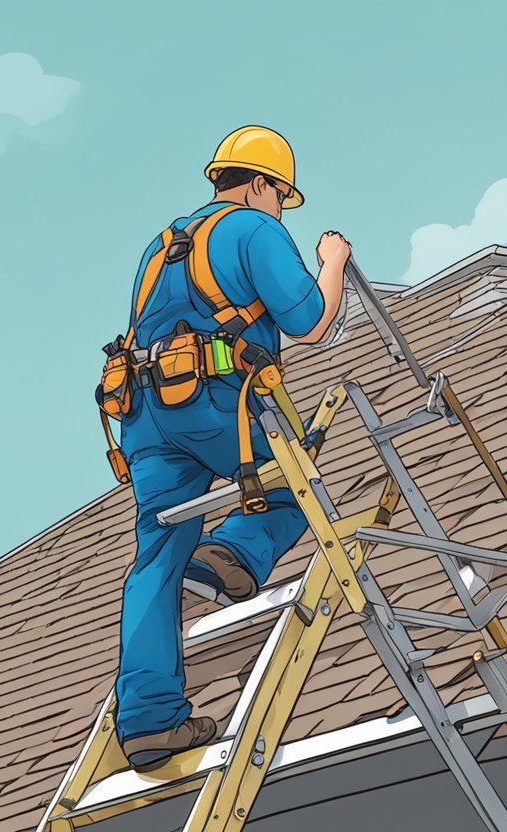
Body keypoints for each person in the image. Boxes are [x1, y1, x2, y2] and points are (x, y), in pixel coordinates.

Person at [113, 125, 349, 769]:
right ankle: (228, 556)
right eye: (281, 197)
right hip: (219, 405)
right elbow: (311, 324)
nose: (281, 210)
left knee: (156, 556)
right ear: (260, 184)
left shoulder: (162, 247)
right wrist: (331, 259)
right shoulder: (252, 229)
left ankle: (148, 721)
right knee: (293, 485)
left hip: (146, 414)